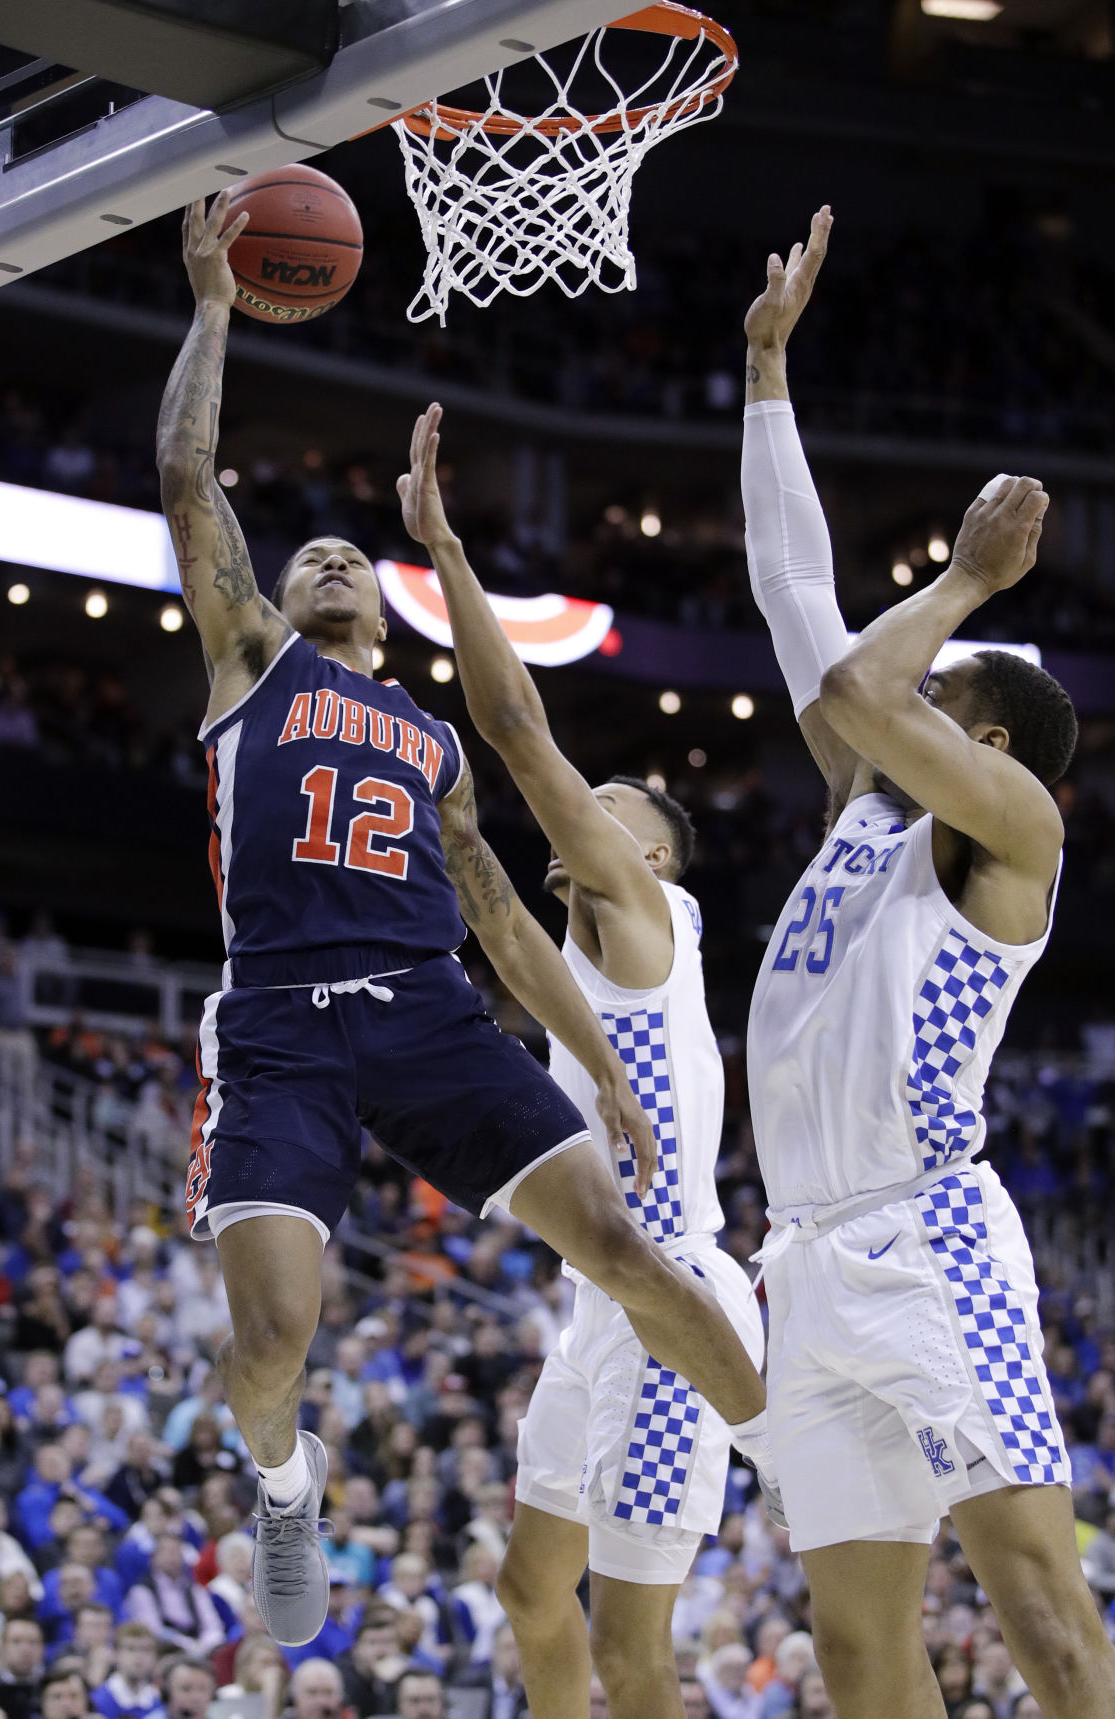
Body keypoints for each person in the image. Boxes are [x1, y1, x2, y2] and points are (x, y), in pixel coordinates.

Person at [154, 192, 776, 1651]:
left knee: (626, 1245)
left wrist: (603, 1066)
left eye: (346, 558)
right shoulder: (249, 662)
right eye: (303, 553)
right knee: (271, 1340)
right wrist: (213, 309)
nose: (324, 560)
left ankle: (779, 1440)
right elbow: (189, 482)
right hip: (280, 1021)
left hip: (429, 1005)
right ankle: (282, 1478)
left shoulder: (427, 741)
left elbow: (502, 920)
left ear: (383, 604)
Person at [740, 207, 1115, 1719]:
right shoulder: (864, 808)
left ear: (993, 736)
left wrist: (964, 587)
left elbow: (849, 672)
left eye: (938, 676)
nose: (907, 656)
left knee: (1031, 1593)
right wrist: (766, 373)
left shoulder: (1009, 826)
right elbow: (792, 599)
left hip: (926, 1243)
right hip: (805, 1253)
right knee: (851, 1643)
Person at [397, 404, 769, 1719]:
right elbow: (492, 915)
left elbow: (512, 726)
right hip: (594, 1310)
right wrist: (446, 832)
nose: (583, 805)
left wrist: (444, 550)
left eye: (609, 803)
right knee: (523, 1591)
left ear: (650, 854)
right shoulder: (580, 959)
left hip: (669, 1303)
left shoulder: (646, 914)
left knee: (631, 1653)